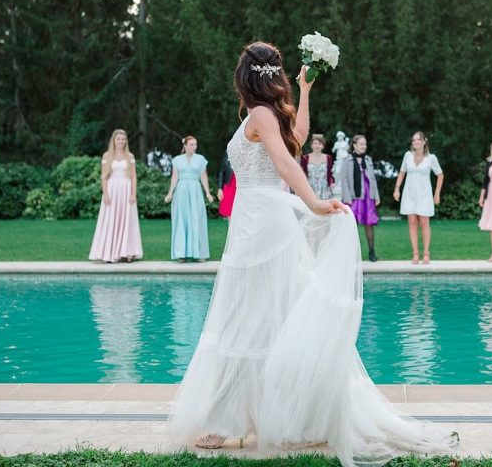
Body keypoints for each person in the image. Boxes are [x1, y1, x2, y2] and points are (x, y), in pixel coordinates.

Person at [168, 42, 456, 466]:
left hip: (262, 224)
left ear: (244, 76)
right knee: (266, 315)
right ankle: (263, 415)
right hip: (257, 222)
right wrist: (304, 92)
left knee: (246, 317)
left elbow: (288, 160)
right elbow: (298, 141)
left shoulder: (261, 114)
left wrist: (315, 203)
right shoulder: (264, 114)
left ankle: (232, 420)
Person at [88, 129, 143, 263]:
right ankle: (110, 252)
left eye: (123, 139)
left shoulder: (130, 156)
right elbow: (104, 177)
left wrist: (133, 193)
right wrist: (105, 193)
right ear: (113, 140)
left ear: (126, 141)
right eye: (118, 139)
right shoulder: (107, 156)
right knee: (111, 219)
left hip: (126, 189)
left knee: (127, 220)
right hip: (112, 189)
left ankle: (128, 252)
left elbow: (134, 176)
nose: (121, 141)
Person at [393, 131, 444, 264]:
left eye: (418, 140)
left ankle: (426, 253)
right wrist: (397, 189)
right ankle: (415, 253)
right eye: (413, 140)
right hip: (409, 194)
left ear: (424, 141)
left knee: (424, 222)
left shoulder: (431, 158)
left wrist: (437, 193)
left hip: (424, 194)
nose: (415, 142)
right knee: (412, 222)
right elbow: (402, 172)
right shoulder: (408, 156)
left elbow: (440, 175)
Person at [164, 136, 214, 262]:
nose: (194, 147)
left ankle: (199, 253)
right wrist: (170, 193)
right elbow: (174, 177)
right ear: (185, 146)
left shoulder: (200, 159)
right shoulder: (177, 160)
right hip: (181, 192)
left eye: (195, 144)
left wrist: (208, 193)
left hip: (195, 191)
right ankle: (181, 253)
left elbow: (203, 177)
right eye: (191, 144)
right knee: (181, 220)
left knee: (197, 219)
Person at [340, 135, 381, 262]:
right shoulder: (347, 160)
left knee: (369, 224)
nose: (364, 146)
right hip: (353, 197)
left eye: (365, 144)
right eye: (361, 144)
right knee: (352, 226)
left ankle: (371, 252)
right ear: (354, 145)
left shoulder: (368, 160)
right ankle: (352, 255)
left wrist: (376, 196)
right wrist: (347, 198)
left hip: (368, 196)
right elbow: (344, 180)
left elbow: (373, 179)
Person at [300, 134, 334, 199]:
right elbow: (302, 174)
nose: (317, 146)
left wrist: (331, 183)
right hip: (310, 188)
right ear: (311, 145)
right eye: (315, 143)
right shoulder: (305, 158)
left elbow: (330, 174)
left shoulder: (328, 158)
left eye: (319, 143)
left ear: (323, 146)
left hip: (324, 189)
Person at [216, 152, 236, 218]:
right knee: (229, 212)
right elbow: (222, 171)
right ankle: (231, 225)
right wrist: (220, 188)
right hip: (229, 184)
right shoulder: (228, 151)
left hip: (243, 184)